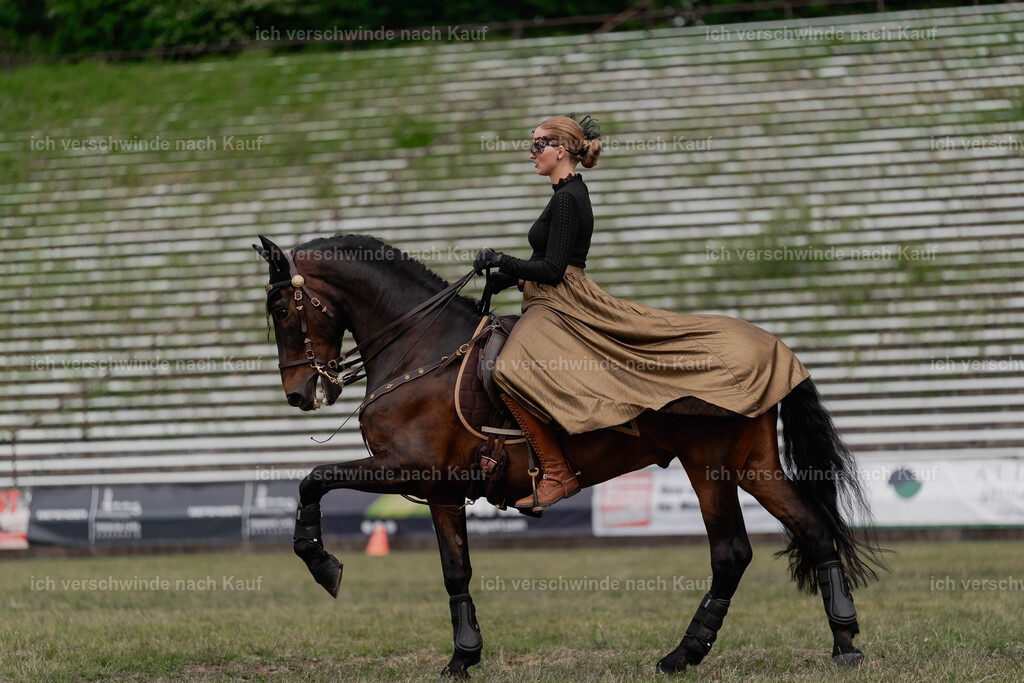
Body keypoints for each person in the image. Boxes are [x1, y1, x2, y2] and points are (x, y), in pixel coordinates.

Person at [474, 113, 809, 511]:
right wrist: (506, 278)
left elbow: (554, 270)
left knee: (509, 369)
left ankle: (557, 471)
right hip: (548, 296)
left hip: (561, 301)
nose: (531, 153)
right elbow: (546, 262)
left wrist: (502, 259)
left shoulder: (567, 199)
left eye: (537, 145)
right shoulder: (564, 193)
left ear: (560, 150)